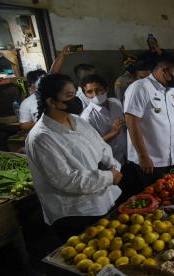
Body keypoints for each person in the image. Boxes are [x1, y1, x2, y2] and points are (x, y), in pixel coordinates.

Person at [25, 74, 122, 241]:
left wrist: (114, 167)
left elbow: (102, 147)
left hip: (101, 201)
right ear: (51, 102)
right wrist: (108, 176)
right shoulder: (42, 138)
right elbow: (65, 179)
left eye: (75, 94)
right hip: (75, 213)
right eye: (69, 96)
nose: (76, 100)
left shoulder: (77, 121)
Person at [124, 52, 174, 187]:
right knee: (153, 199)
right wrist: (143, 157)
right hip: (150, 161)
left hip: (171, 158)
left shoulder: (173, 91)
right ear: (163, 70)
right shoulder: (140, 88)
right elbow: (132, 122)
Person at [80, 74, 127, 165]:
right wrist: (113, 133)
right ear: (85, 94)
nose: (95, 95)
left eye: (98, 90)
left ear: (106, 89)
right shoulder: (87, 117)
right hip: (110, 163)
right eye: (90, 92)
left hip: (126, 154)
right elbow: (92, 146)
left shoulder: (116, 103)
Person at [49, 44, 95, 110]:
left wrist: (62, 54)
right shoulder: (74, 94)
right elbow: (52, 76)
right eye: (93, 77)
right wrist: (62, 55)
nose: (96, 79)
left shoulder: (96, 91)